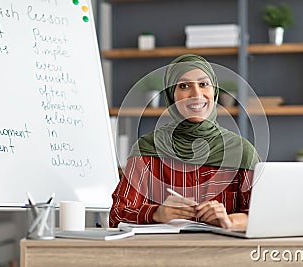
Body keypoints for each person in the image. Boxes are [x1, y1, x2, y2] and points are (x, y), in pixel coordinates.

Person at [110, 54, 260, 230]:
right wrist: (157, 213)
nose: (196, 94)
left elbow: (262, 215)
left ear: (215, 92)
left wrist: (229, 221)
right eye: (184, 86)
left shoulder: (242, 151)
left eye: (204, 84)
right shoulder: (148, 149)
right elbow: (116, 216)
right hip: (159, 254)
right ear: (171, 96)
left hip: (223, 253)